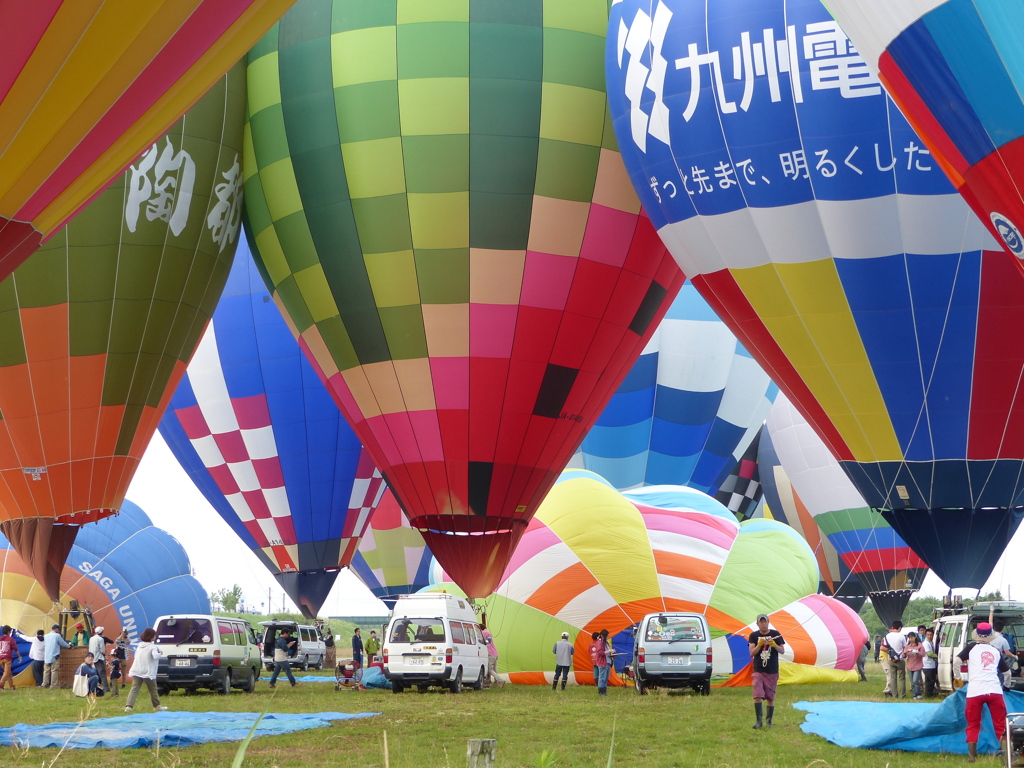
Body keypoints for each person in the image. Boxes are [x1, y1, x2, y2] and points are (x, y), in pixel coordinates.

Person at [957, 622, 1010, 763]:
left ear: (976, 634)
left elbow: (956, 661)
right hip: (994, 690)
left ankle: (972, 756)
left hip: (975, 691)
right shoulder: (996, 651)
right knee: (1000, 724)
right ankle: (1006, 756)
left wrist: (957, 677)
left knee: (973, 723)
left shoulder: (971, 648)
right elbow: (1007, 673)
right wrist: (1006, 685)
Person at [748, 614, 785, 729]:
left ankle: (769, 721)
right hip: (759, 670)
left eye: (765, 622)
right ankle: (759, 721)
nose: (763, 624)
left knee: (770, 697)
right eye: (761, 622)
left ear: (768, 622)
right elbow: (752, 653)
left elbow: (782, 650)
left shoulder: (775, 634)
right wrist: (759, 645)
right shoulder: (753, 636)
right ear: (757, 624)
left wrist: (774, 645)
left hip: (772, 670)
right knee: (757, 693)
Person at [124, 627, 167, 712]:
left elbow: (136, 656)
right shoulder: (152, 647)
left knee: (134, 689)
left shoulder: (140, 646)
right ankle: (157, 706)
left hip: (137, 670)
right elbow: (155, 656)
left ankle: (129, 706)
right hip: (148, 672)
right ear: (151, 637)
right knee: (153, 690)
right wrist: (160, 653)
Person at [883, 620, 908, 699]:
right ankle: (902, 696)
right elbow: (905, 647)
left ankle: (894, 695)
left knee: (893, 678)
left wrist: (890, 653)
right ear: (900, 628)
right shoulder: (901, 636)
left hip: (891, 660)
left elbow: (883, 647)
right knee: (902, 678)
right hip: (900, 659)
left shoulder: (887, 636)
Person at [42, 623, 70, 689]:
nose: (59, 631)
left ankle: (45, 684)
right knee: (54, 671)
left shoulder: (46, 636)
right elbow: (62, 643)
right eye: (59, 629)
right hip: (54, 656)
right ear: (56, 629)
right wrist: (69, 646)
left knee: (46, 671)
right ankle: (53, 685)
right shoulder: (57, 636)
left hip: (47, 656)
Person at [991, 620, 1015, 688]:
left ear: (994, 628)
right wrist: (1015, 656)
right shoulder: (1003, 640)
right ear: (1003, 629)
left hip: (989, 659)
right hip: (999, 660)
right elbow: (1007, 653)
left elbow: (990, 622)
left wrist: (991, 611)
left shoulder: (989, 637)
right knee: (1002, 676)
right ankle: (1002, 688)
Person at [904, 631, 926, 699]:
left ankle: (918, 694)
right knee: (912, 682)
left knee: (915, 681)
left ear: (915, 637)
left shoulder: (919, 645)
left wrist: (917, 652)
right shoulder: (907, 646)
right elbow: (903, 656)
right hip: (910, 666)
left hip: (917, 666)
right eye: (909, 638)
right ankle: (914, 695)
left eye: (912, 637)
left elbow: (923, 654)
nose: (911, 639)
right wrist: (905, 652)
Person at [88, 626, 110, 692]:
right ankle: (106, 688)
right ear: (101, 632)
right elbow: (102, 650)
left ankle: (92, 688)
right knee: (102, 674)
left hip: (91, 658)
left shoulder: (91, 638)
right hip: (99, 658)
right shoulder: (101, 639)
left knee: (92, 674)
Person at [0, 625, 22, 690]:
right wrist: (19, 656)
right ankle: (1, 683)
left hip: (1, 657)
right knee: (6, 672)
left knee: (8, 672)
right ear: (9, 632)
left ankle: (12, 686)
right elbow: (15, 648)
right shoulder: (11, 639)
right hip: (7, 658)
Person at [480, 619, 500, 687]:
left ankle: (499, 680)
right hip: (495, 653)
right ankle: (497, 682)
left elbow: (482, 641)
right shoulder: (488, 632)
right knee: (495, 668)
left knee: (489, 669)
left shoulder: (483, 633)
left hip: (490, 653)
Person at [922, 628, 938, 697]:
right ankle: (928, 695)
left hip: (931, 664)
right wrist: (938, 656)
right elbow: (929, 654)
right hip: (927, 665)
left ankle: (931, 693)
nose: (929, 636)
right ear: (925, 635)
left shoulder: (931, 642)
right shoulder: (925, 643)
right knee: (929, 681)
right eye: (928, 635)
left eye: (931, 635)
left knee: (932, 680)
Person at [594, 629, 610, 696]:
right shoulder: (600, 642)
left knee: (605, 678)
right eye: (607, 635)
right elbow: (600, 653)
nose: (608, 636)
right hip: (603, 662)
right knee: (602, 678)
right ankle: (601, 693)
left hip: (608, 662)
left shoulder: (605, 642)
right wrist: (610, 651)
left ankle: (604, 692)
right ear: (603, 636)